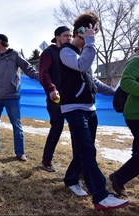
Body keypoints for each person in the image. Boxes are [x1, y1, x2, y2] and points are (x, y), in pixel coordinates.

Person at [58, 12, 129, 210]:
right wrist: (90, 42)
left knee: (84, 150)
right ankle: (100, 196)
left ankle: (71, 178)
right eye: (92, 32)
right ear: (81, 32)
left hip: (90, 109)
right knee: (88, 151)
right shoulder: (66, 52)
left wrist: (115, 93)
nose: (94, 36)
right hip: (74, 109)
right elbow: (82, 65)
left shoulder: (82, 53)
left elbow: (93, 80)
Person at [0, 34, 39, 161]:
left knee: (16, 124)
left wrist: (42, 77)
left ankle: (20, 153)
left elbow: (28, 69)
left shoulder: (15, 55)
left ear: (0, 42)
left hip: (12, 95)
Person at [39, 26, 72, 172]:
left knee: (76, 130)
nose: (69, 38)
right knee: (57, 127)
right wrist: (52, 89)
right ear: (57, 37)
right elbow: (43, 74)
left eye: (70, 35)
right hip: (56, 98)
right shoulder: (49, 53)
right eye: (66, 35)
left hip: (72, 98)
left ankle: (80, 165)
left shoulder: (71, 52)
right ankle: (47, 160)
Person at [109, 55, 139, 197]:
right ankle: (119, 177)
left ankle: (120, 178)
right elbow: (126, 82)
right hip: (136, 114)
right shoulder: (136, 61)